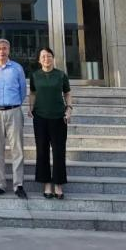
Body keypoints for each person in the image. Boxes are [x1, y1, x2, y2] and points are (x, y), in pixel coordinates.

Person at [0, 38, 27, 199]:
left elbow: (23, 91)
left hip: (14, 110)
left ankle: (18, 185)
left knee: (17, 149)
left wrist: (13, 105)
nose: (1, 51)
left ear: (9, 50)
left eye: (4, 48)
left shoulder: (17, 68)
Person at [29, 47, 72, 199]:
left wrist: (69, 109)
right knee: (42, 151)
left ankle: (58, 184)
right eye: (43, 56)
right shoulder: (35, 76)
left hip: (59, 117)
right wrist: (30, 108)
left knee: (59, 152)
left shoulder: (61, 75)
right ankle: (46, 183)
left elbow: (67, 93)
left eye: (49, 56)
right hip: (40, 117)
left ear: (53, 58)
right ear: (39, 60)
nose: (46, 59)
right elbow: (32, 93)